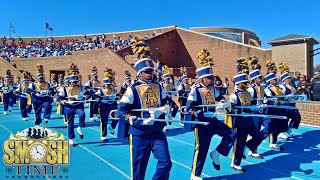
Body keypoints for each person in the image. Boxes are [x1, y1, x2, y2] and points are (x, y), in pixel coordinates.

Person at [117, 38, 178, 180]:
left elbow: (168, 103)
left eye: (151, 70)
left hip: (157, 131)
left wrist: (166, 109)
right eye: (146, 71)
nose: (150, 73)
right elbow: (121, 112)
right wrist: (135, 120)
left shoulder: (159, 86)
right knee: (139, 169)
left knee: (166, 163)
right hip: (139, 134)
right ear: (139, 73)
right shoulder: (132, 89)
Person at [186, 49, 236, 180]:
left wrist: (223, 102)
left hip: (213, 121)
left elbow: (220, 98)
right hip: (201, 123)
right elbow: (189, 108)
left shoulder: (213, 88)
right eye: (209, 77)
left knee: (232, 134)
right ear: (202, 79)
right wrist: (202, 114)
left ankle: (217, 153)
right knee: (201, 149)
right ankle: (195, 175)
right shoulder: (195, 90)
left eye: (212, 77)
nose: (212, 79)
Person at [228, 57, 263, 172]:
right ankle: (235, 163)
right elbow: (231, 110)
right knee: (239, 143)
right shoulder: (233, 95)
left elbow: (252, 104)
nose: (247, 84)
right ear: (239, 83)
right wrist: (240, 112)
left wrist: (256, 107)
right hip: (239, 122)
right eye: (245, 82)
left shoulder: (247, 93)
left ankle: (247, 147)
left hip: (249, 121)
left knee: (258, 136)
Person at [56, 63, 90, 146]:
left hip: (78, 105)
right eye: (73, 82)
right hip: (69, 106)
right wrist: (62, 101)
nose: (74, 83)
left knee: (82, 114)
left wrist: (86, 97)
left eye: (76, 82)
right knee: (70, 123)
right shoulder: (64, 88)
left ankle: (79, 127)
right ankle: (71, 138)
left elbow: (88, 94)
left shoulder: (81, 87)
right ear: (70, 81)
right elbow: (59, 97)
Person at [247, 56, 271, 158]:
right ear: (254, 79)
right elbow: (248, 102)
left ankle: (251, 144)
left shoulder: (262, 88)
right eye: (259, 78)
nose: (262, 79)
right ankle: (254, 150)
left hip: (263, 112)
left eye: (261, 77)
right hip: (254, 113)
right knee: (256, 131)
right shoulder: (251, 89)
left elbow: (265, 97)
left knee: (269, 127)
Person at [264, 61, 287, 150]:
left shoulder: (278, 88)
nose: (276, 80)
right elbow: (269, 99)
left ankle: (274, 142)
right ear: (270, 81)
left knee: (279, 126)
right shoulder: (267, 89)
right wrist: (278, 100)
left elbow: (282, 96)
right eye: (274, 79)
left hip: (279, 109)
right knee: (271, 128)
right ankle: (255, 144)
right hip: (272, 110)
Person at [94, 68, 119, 141]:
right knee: (104, 120)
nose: (108, 86)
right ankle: (103, 134)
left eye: (109, 84)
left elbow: (118, 95)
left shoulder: (114, 90)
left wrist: (118, 97)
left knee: (117, 117)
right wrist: (99, 98)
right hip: (104, 106)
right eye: (107, 84)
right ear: (104, 85)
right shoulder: (101, 90)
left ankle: (112, 127)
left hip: (113, 105)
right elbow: (95, 95)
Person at [279, 63, 301, 138]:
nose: (290, 79)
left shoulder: (291, 86)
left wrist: (295, 97)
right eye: (288, 78)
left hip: (292, 104)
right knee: (285, 119)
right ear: (284, 79)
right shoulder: (282, 86)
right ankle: (281, 133)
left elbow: (294, 93)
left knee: (297, 117)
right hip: (285, 105)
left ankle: (289, 129)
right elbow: (280, 96)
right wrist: (287, 97)